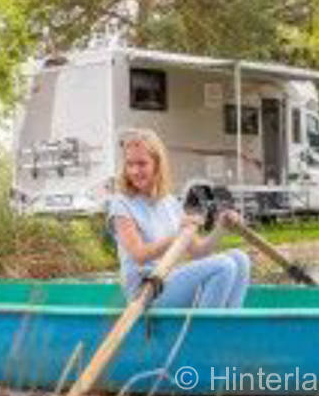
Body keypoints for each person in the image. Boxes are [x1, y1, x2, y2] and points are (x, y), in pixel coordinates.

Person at [107, 129, 250, 308]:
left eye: (142, 164)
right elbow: (139, 255)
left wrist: (221, 227)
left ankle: (226, 326)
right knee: (224, 266)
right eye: (130, 164)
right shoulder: (121, 204)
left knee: (240, 258)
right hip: (147, 289)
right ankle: (204, 332)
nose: (135, 171)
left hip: (170, 280)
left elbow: (199, 251)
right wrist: (177, 239)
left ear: (157, 164)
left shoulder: (169, 202)